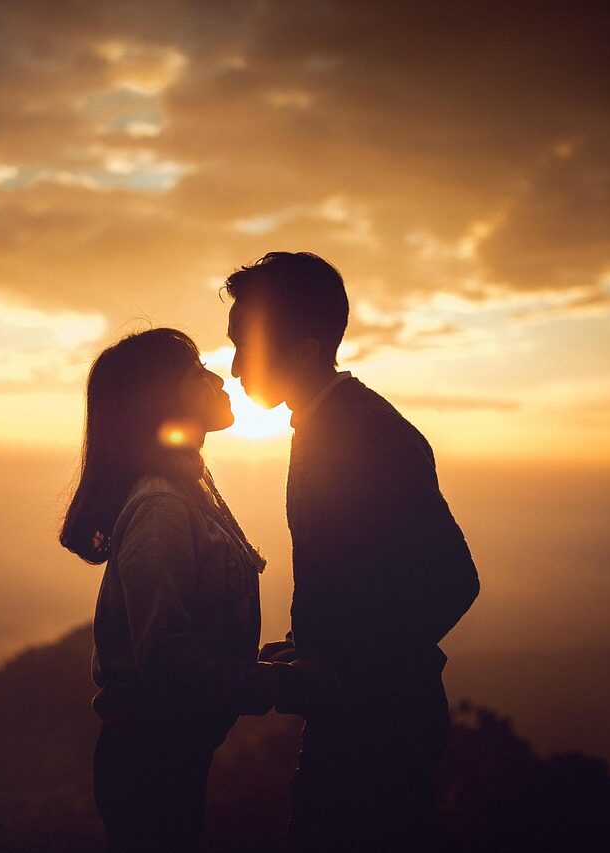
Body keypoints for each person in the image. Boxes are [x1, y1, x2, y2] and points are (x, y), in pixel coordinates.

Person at [224, 252, 481, 850]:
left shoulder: (365, 434)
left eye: (245, 348)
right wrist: (312, 646)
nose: (233, 368)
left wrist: (344, 669)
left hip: (381, 732)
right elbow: (366, 576)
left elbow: (454, 581)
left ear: (306, 351)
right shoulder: (327, 425)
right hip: (363, 719)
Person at [60, 327, 277, 852]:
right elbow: (168, 664)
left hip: (163, 760)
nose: (217, 378)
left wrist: (266, 664)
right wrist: (279, 686)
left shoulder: (184, 489)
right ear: (162, 398)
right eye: (197, 371)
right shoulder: (162, 506)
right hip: (149, 768)